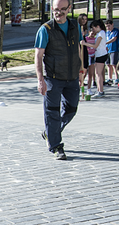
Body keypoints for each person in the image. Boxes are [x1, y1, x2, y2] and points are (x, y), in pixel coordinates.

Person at [34, 0, 82, 161]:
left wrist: (81, 70)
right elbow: (38, 56)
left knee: (71, 109)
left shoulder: (75, 26)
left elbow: (78, 49)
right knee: (52, 112)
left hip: (72, 77)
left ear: (69, 9)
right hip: (53, 78)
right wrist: (40, 80)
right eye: (55, 10)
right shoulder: (46, 29)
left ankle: (49, 132)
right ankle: (56, 146)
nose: (58, 13)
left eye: (62, 9)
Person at [105, 20, 119, 85]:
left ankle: (117, 78)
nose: (108, 27)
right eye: (106, 26)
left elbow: (114, 39)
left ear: (112, 24)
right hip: (107, 50)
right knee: (108, 64)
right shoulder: (107, 33)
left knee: (114, 64)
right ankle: (110, 78)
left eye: (109, 26)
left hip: (114, 49)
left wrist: (106, 43)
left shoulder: (115, 31)